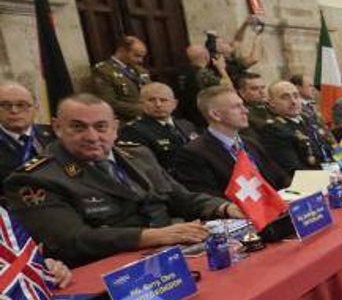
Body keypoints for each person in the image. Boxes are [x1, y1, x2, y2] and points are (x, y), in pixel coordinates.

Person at [4, 94, 242, 267]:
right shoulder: (35, 178)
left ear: (115, 128)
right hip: (112, 270)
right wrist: (154, 236)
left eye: (101, 127)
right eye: (78, 127)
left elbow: (181, 198)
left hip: (176, 256)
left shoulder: (138, 154)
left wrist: (225, 208)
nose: (92, 136)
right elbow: (73, 241)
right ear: (57, 127)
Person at [173, 86, 288, 196]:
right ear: (215, 115)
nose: (245, 111)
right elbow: (208, 196)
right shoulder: (194, 153)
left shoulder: (251, 143)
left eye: (243, 105)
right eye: (236, 107)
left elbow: (280, 178)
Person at [117, 82, 199, 174]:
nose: (158, 104)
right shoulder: (133, 131)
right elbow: (146, 169)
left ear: (174, 104)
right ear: (141, 104)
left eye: (163, 100)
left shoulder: (187, 125)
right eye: (151, 100)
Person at [257, 80, 331, 180]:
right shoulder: (273, 129)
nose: (293, 101)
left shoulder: (308, 120)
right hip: (310, 184)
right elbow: (295, 170)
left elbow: (328, 148)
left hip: (331, 174)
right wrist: (330, 177)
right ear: (271, 103)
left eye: (296, 96)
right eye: (285, 97)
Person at [0, 82, 55, 183]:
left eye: (21, 105)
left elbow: (71, 169)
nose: (14, 111)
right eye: (5, 105)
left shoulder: (55, 135)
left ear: (36, 107)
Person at [88, 36, 150, 121]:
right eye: (137, 56)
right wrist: (142, 110)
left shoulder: (140, 70)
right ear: (122, 51)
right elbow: (108, 102)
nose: (141, 60)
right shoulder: (104, 71)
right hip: (125, 121)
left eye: (142, 57)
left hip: (149, 117)